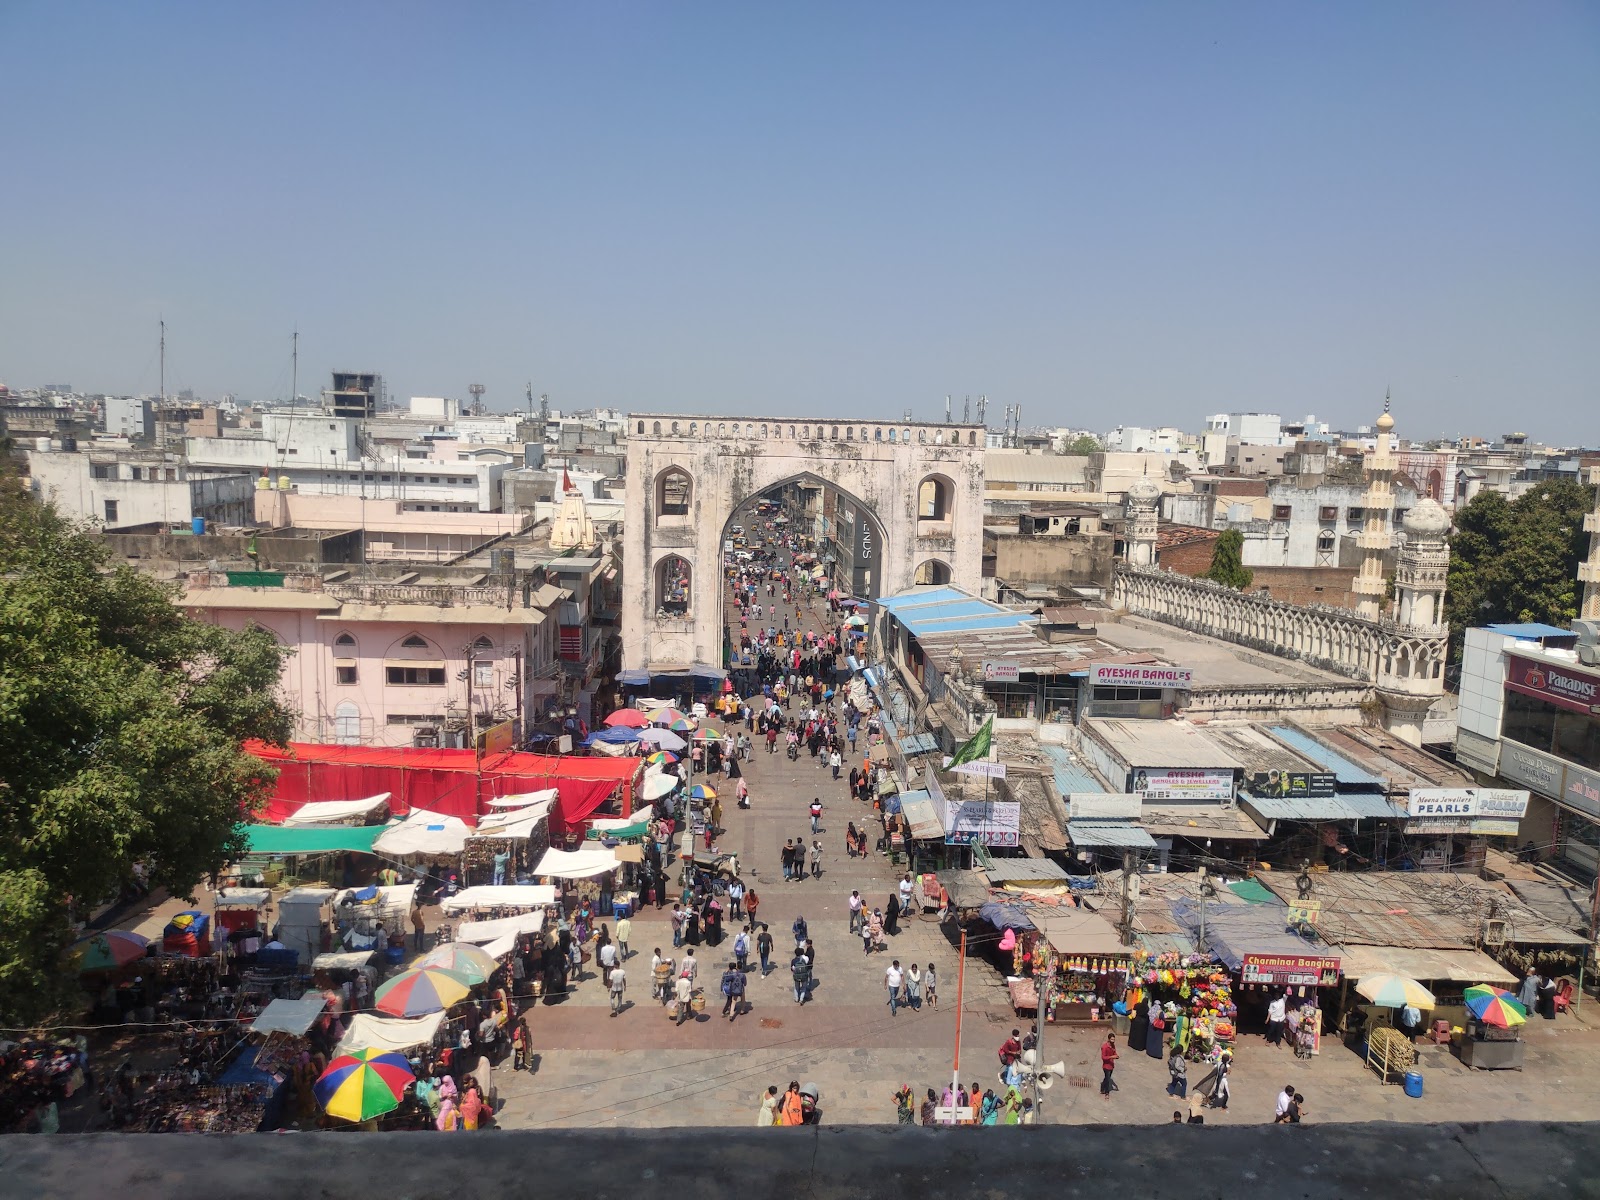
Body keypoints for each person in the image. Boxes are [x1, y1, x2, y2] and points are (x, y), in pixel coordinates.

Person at [1100, 1032, 1118, 1099]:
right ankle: (1107, 1093)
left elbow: (1114, 1052)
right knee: (1108, 1080)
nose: (1113, 1041)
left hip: (1111, 1065)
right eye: (1112, 1039)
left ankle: (1102, 1088)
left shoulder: (1113, 1046)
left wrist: (1116, 1056)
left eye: (1114, 1039)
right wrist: (1111, 1057)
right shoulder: (1104, 1047)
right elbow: (1103, 1057)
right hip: (1106, 1066)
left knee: (1107, 1078)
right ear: (1108, 1039)